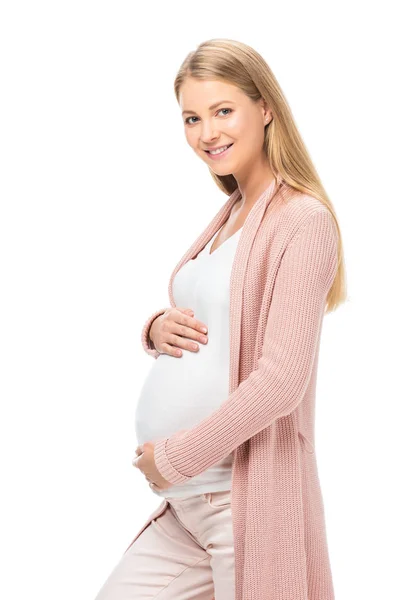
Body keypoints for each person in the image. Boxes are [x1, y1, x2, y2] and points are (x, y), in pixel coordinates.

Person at [94, 38, 347, 600]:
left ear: (265, 109)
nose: (206, 132)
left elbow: (281, 379)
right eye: (191, 117)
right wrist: (157, 328)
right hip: (188, 507)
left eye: (222, 111)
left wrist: (178, 457)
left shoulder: (302, 220)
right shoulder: (232, 213)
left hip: (241, 500)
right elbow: (214, 316)